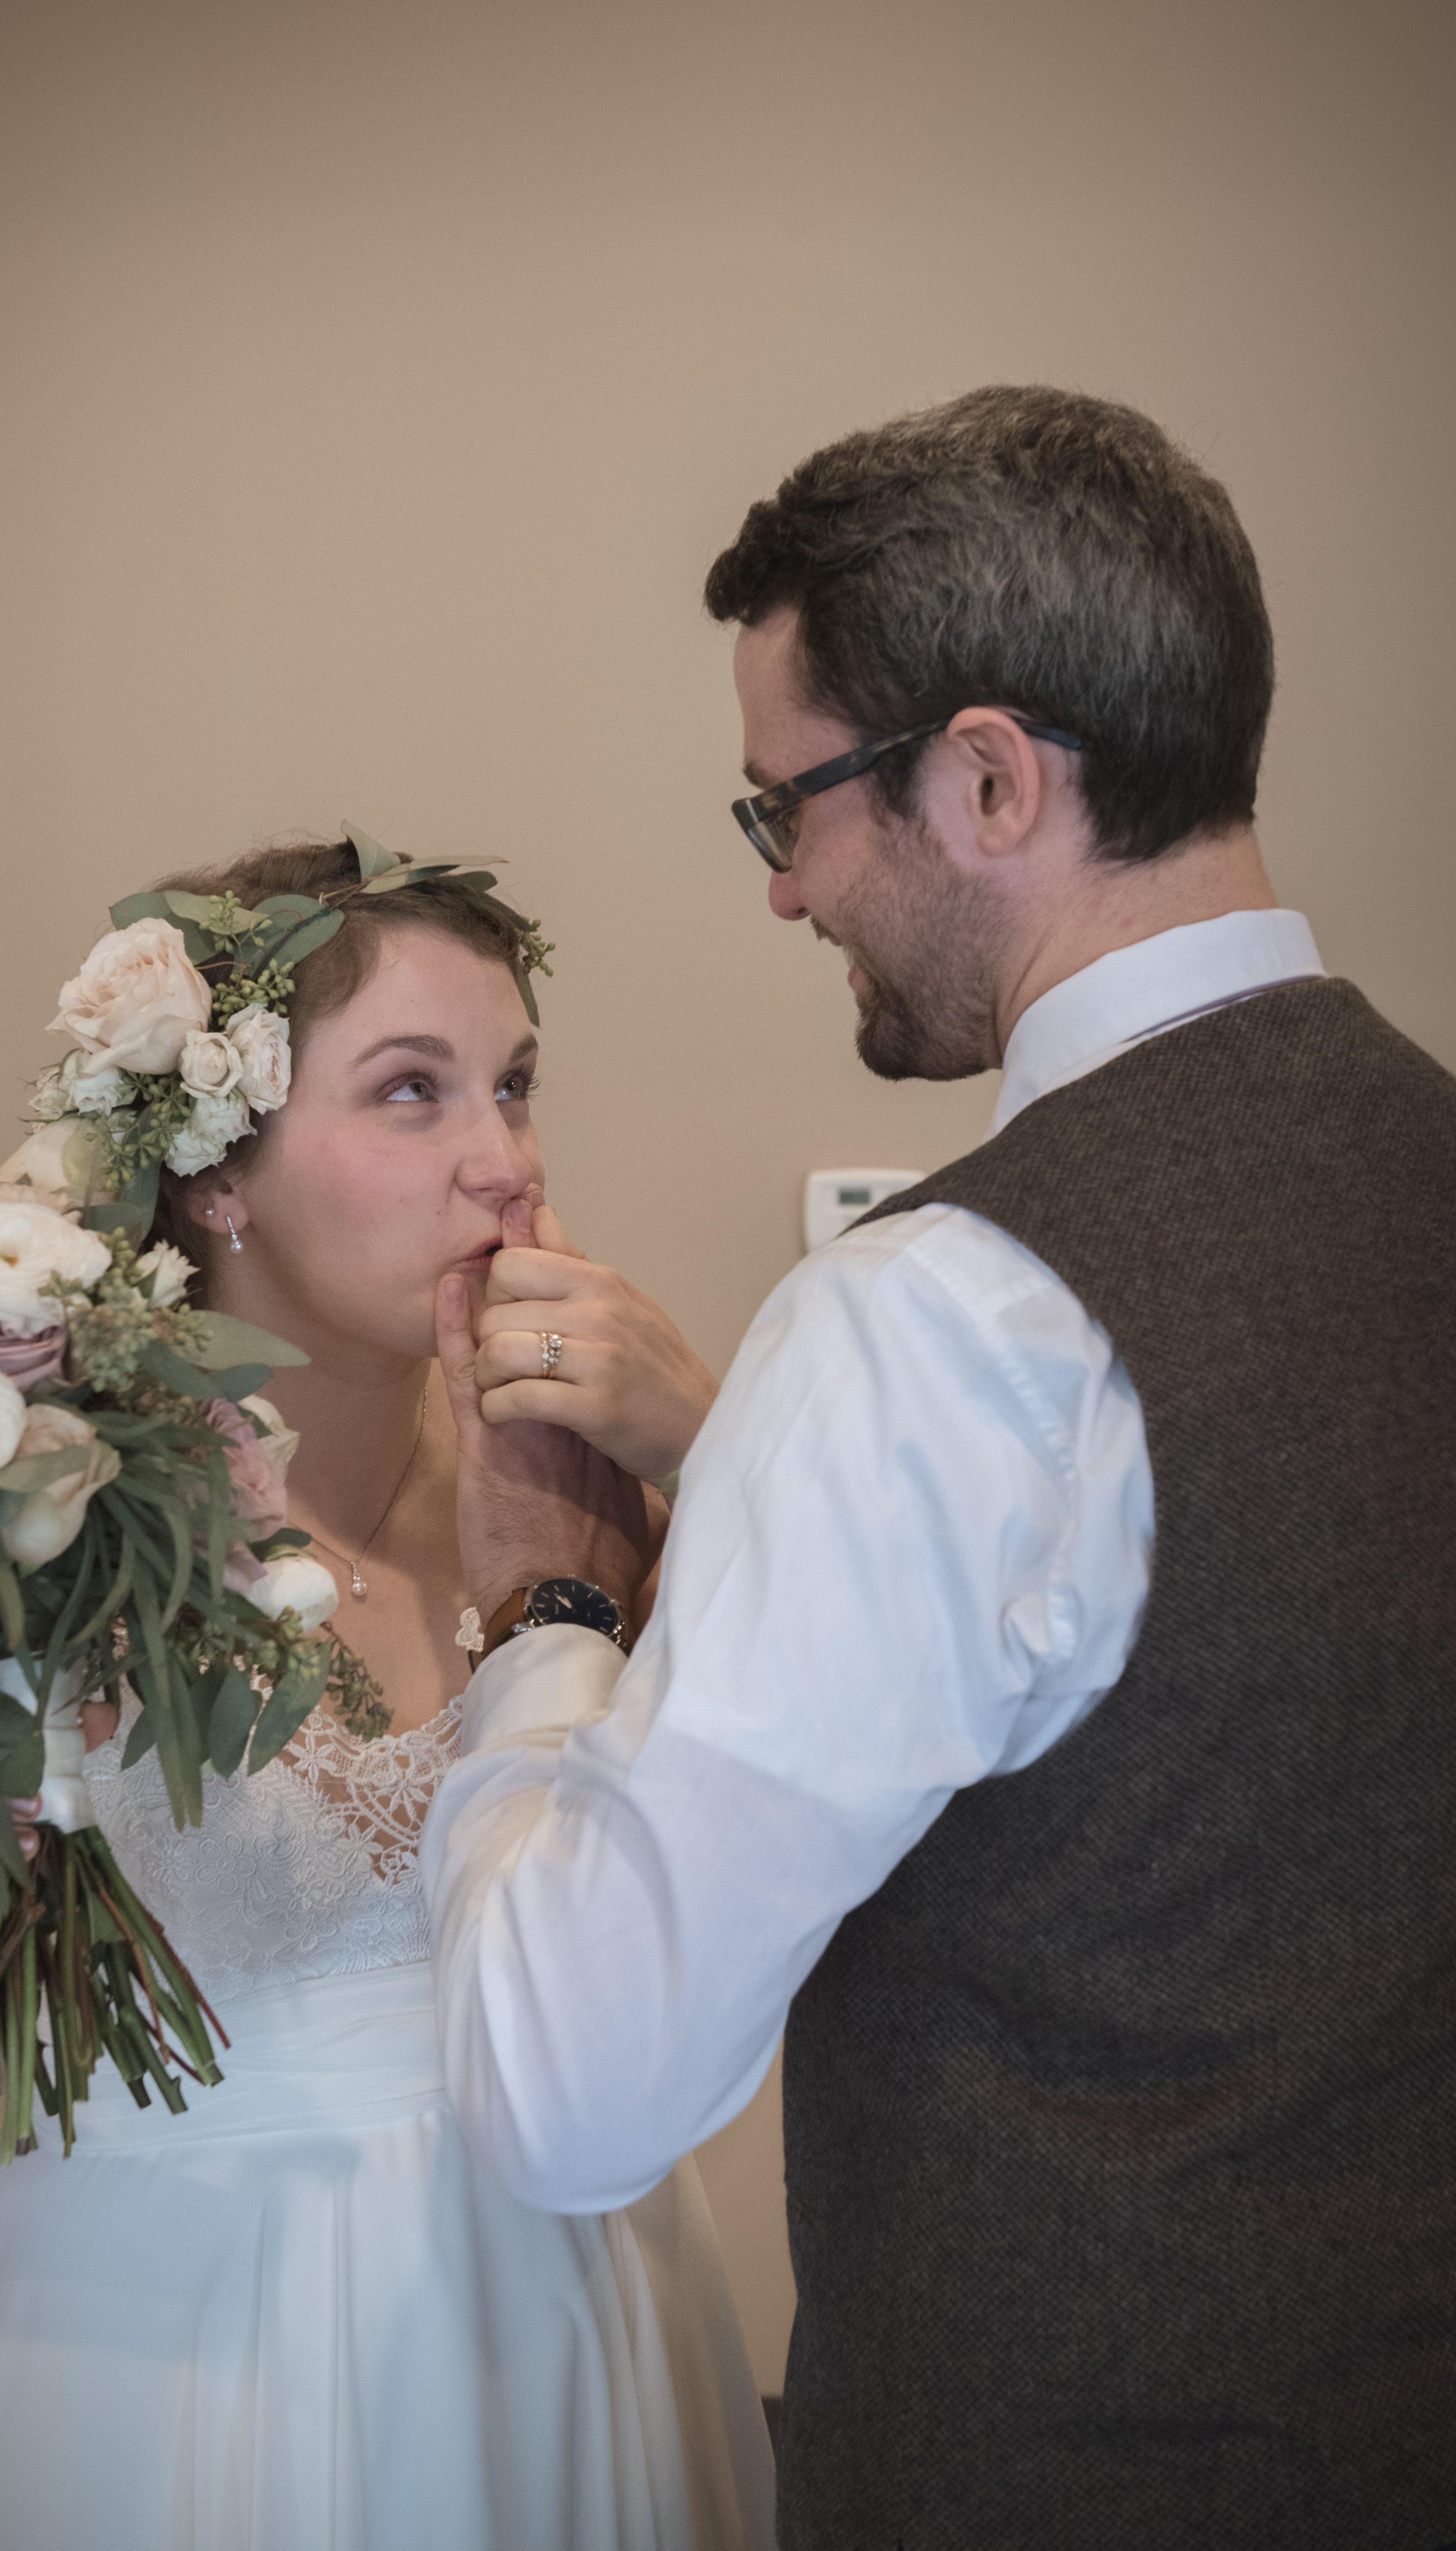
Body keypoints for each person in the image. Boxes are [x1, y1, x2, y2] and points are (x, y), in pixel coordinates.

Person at [420, 386, 1456, 2547]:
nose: (786, 891)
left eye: (781, 809)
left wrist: (548, 1613)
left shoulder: (937, 1317)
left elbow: (569, 2090)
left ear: (987, 777)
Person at [0, 842, 775, 2551]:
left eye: (514, 1087)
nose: (506, 1165)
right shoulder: (7, 1528)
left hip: (581, 2339)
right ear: (216, 1176)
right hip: (169, 2384)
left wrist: (712, 1454)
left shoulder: (603, 1501)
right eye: (410, 1093)